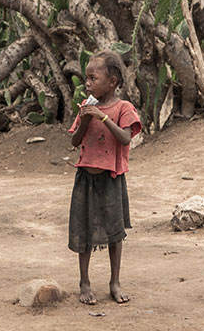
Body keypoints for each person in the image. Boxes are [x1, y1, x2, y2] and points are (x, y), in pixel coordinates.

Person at [68, 50, 142, 305]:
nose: (87, 83)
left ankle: (115, 282)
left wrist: (102, 117)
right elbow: (74, 141)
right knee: (84, 230)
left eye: (93, 78)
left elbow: (124, 138)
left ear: (112, 81)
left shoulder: (123, 108)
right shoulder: (86, 107)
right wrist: (86, 121)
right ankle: (84, 282)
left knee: (114, 232)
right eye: (86, 78)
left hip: (111, 177)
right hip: (85, 177)